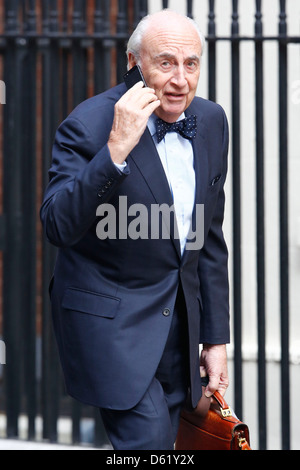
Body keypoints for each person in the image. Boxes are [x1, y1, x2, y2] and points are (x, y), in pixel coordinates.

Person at [40, 9, 230, 450]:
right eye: (165, 63)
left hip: (179, 328)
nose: (180, 79)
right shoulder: (87, 123)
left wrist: (215, 337)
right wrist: (115, 151)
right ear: (133, 63)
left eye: (191, 63)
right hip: (113, 326)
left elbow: (208, 236)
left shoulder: (211, 122)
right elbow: (57, 223)